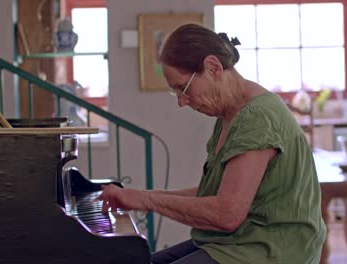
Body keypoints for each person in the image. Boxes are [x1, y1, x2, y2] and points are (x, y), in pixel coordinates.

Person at [98, 23, 326, 264]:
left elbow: (226, 214)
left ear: (213, 67)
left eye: (182, 88)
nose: (181, 102)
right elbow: (215, 195)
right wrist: (139, 196)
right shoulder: (230, 114)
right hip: (238, 242)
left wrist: (145, 200)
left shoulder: (257, 118)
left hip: (276, 250)